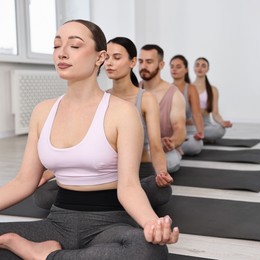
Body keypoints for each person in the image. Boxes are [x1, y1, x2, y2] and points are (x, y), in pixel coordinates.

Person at [0, 20, 178, 260]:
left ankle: (44, 256)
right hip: (57, 221)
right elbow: (24, 181)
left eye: (74, 46)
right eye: (56, 45)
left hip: (108, 224)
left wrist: (152, 225)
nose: (62, 52)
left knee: (147, 250)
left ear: (99, 57)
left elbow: (129, 187)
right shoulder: (43, 111)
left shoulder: (122, 112)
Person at [34, 37, 173, 210]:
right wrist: (47, 174)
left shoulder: (146, 99)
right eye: (106, 58)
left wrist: (161, 172)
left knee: (161, 192)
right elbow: (81, 148)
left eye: (116, 57)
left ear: (132, 62)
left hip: (137, 173)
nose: (109, 63)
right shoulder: (99, 99)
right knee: (42, 196)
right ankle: (112, 203)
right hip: (99, 175)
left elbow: (156, 146)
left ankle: (114, 200)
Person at [138, 44, 186, 173]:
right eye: (140, 61)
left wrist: (172, 142)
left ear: (161, 65)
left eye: (149, 62)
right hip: (136, 150)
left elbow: (180, 129)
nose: (143, 66)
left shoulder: (175, 94)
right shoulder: (133, 90)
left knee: (168, 162)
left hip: (163, 151)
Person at [170, 55, 204, 155]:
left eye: (178, 67)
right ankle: (172, 147)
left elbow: (196, 114)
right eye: (172, 66)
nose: (174, 69)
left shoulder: (191, 89)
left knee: (195, 145)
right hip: (171, 133)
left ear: (186, 70)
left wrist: (200, 133)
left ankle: (173, 148)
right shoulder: (166, 88)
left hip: (187, 132)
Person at [193, 57, 232, 143]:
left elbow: (215, 114)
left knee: (220, 130)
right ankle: (201, 137)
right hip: (191, 123)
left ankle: (199, 136)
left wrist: (223, 122)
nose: (200, 68)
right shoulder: (188, 87)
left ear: (207, 69)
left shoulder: (213, 90)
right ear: (194, 68)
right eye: (197, 65)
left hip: (206, 124)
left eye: (203, 66)